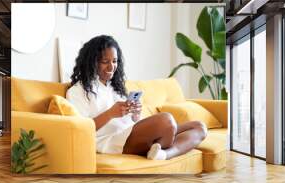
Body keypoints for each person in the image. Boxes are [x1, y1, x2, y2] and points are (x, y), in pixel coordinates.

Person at [66, 35, 207, 160]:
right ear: (92, 62)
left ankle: (163, 154)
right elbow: (81, 130)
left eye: (114, 61)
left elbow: (132, 122)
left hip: (132, 132)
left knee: (199, 127)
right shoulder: (77, 91)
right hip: (112, 141)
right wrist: (110, 114)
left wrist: (136, 114)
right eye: (105, 61)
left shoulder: (115, 87)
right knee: (167, 121)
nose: (111, 67)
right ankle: (161, 148)